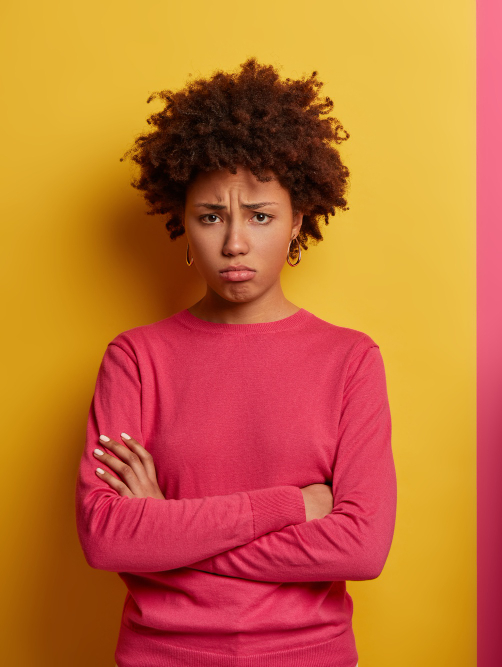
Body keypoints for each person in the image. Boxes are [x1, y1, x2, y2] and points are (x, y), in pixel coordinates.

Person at [75, 59, 395, 667]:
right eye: (212, 216)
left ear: (298, 220)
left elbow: (361, 549)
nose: (235, 243)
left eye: (261, 215)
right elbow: (106, 537)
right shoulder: (135, 360)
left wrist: (168, 531)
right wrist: (291, 507)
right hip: (160, 655)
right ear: (183, 223)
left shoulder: (350, 359)